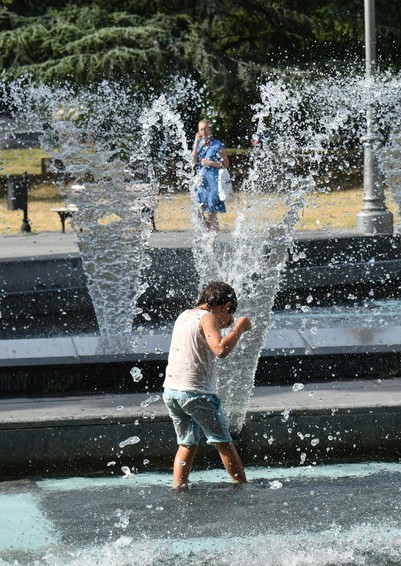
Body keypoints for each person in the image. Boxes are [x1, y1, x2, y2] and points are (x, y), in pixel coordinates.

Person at [162, 281, 252, 489]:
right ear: (226, 306)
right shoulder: (207, 317)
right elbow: (220, 349)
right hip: (197, 394)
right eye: (229, 316)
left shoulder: (184, 315)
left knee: (186, 443)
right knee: (224, 443)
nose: (227, 322)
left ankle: (179, 487)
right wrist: (239, 327)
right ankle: (242, 486)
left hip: (172, 392)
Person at [192, 119, 230, 231]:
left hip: (214, 181)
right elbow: (193, 161)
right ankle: (207, 229)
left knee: (212, 213)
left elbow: (226, 164)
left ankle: (211, 239)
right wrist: (196, 144)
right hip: (201, 182)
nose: (204, 131)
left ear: (210, 129)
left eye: (206, 129)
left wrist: (211, 163)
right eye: (201, 129)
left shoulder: (217, 145)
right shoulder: (198, 145)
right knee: (197, 210)